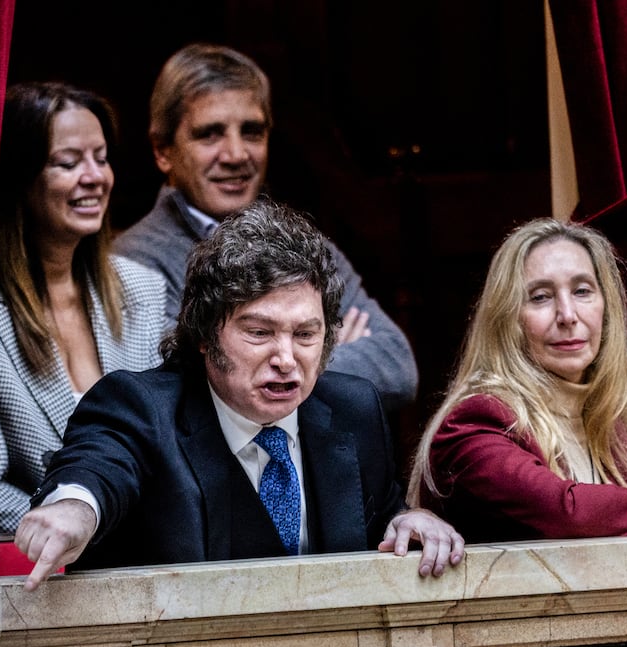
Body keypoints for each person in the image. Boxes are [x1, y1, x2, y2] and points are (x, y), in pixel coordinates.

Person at [14, 200, 464, 591]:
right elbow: (98, 469)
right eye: (259, 332)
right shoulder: (140, 406)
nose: (286, 359)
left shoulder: (353, 408)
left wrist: (407, 522)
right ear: (205, 334)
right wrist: (76, 508)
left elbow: (381, 517)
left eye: (305, 334)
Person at [112, 42, 417, 412]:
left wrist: (255, 371)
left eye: (252, 132)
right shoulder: (135, 261)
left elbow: (397, 366)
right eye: (210, 134)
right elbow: (178, 392)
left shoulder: (304, 244)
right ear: (163, 151)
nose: (237, 154)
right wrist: (322, 348)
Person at [407, 217, 627, 543]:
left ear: (606, 307)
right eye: (540, 297)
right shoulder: (477, 420)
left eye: (582, 291)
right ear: (507, 318)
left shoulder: (610, 425)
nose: (568, 315)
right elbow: (564, 511)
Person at [0, 82, 169, 563]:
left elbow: (171, 450)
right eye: (69, 162)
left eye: (102, 158)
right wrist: (87, 528)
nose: (95, 177)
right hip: (42, 567)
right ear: (21, 176)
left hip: (152, 557)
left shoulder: (143, 288)